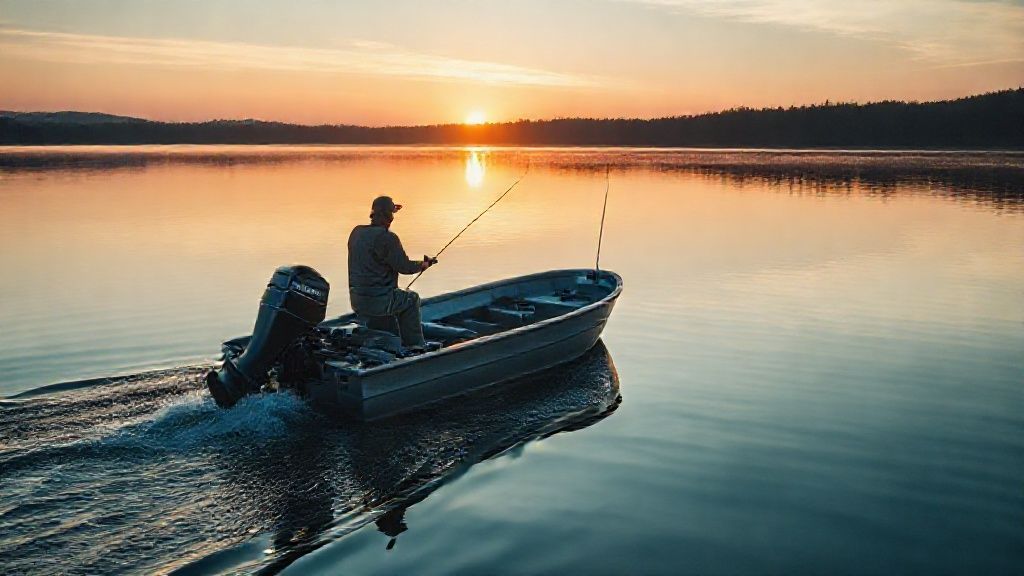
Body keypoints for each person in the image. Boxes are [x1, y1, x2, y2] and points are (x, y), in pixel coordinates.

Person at [348, 195, 436, 347]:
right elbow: (405, 267)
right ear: (389, 216)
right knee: (411, 298)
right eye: (392, 213)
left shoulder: (356, 233)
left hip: (358, 301)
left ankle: (390, 338)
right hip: (379, 302)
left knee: (394, 298)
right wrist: (424, 264)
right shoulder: (388, 238)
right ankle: (416, 346)